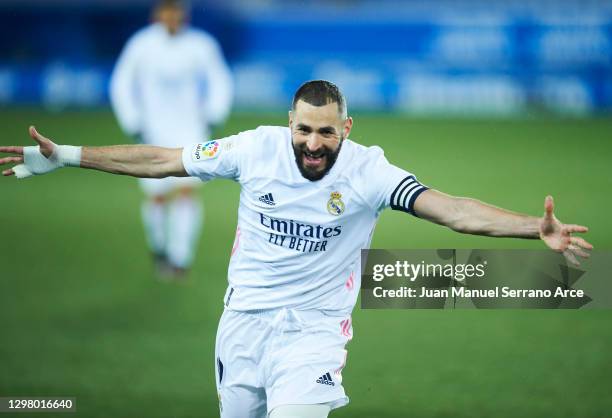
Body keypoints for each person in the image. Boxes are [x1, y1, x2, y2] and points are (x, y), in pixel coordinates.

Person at [0, 80, 592, 418]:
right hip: (241, 325)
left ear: (347, 128)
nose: (313, 143)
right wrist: (70, 156)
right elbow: (163, 159)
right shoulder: (253, 149)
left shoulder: (369, 172)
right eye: (304, 129)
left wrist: (529, 229)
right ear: (290, 123)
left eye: (326, 131)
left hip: (313, 333)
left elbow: (454, 210)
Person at [109, 0, 233, 277]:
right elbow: (121, 83)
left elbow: (220, 80)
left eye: (176, 11)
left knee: (188, 191)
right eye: (167, 11)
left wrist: (214, 114)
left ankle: (181, 258)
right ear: (157, 14)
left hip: (190, 130)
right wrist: (132, 120)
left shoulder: (201, 45)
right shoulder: (141, 45)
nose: (172, 16)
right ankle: (159, 249)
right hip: (153, 130)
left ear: (184, 15)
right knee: (157, 195)